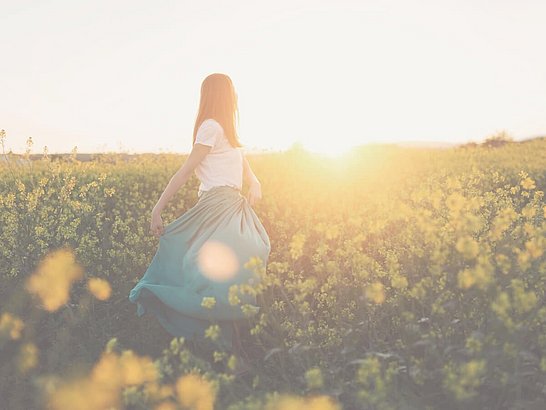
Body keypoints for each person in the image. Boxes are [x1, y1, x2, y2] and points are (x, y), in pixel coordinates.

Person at [128, 73, 271, 377]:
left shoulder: (228, 131)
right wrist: (157, 208)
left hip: (234, 205)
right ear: (222, 94)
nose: (235, 96)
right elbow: (184, 172)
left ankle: (232, 350)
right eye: (231, 91)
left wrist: (254, 180)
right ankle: (229, 357)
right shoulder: (210, 127)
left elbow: (240, 159)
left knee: (253, 252)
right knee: (219, 277)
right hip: (216, 206)